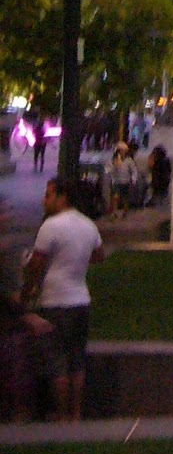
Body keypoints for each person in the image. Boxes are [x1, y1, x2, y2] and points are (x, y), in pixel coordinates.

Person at [19, 177, 104, 421]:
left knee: (57, 364)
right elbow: (99, 255)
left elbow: (35, 265)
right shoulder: (88, 225)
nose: (43, 201)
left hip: (55, 301)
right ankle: (75, 414)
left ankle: (61, 414)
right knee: (77, 361)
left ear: (62, 196)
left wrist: (27, 291)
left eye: (48, 195)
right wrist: (75, 259)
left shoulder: (51, 226)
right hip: (80, 300)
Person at [109, 142, 137, 216]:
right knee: (115, 197)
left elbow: (133, 170)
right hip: (117, 181)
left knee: (125, 198)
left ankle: (125, 211)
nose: (122, 152)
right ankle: (114, 212)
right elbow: (110, 170)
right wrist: (114, 166)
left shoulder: (129, 160)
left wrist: (133, 179)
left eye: (123, 151)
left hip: (125, 182)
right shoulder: (115, 160)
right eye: (120, 150)